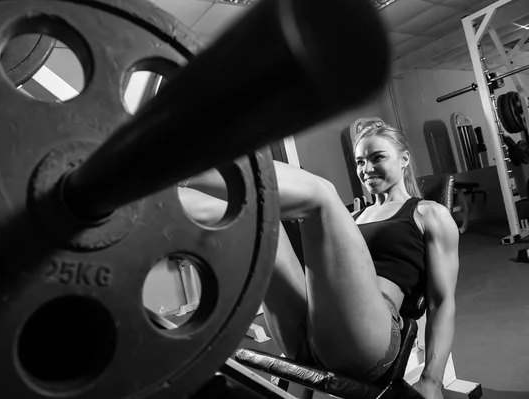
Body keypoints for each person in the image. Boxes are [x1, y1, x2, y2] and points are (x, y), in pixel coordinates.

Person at [178, 119, 459, 399]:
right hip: (308, 334)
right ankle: (161, 204)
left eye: (378, 158)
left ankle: (175, 169)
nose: (367, 169)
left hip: (370, 339)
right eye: (360, 162)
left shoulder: (428, 214)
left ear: (404, 159)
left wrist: (432, 380)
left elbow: (441, 301)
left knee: (322, 195)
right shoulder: (353, 217)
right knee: (258, 228)